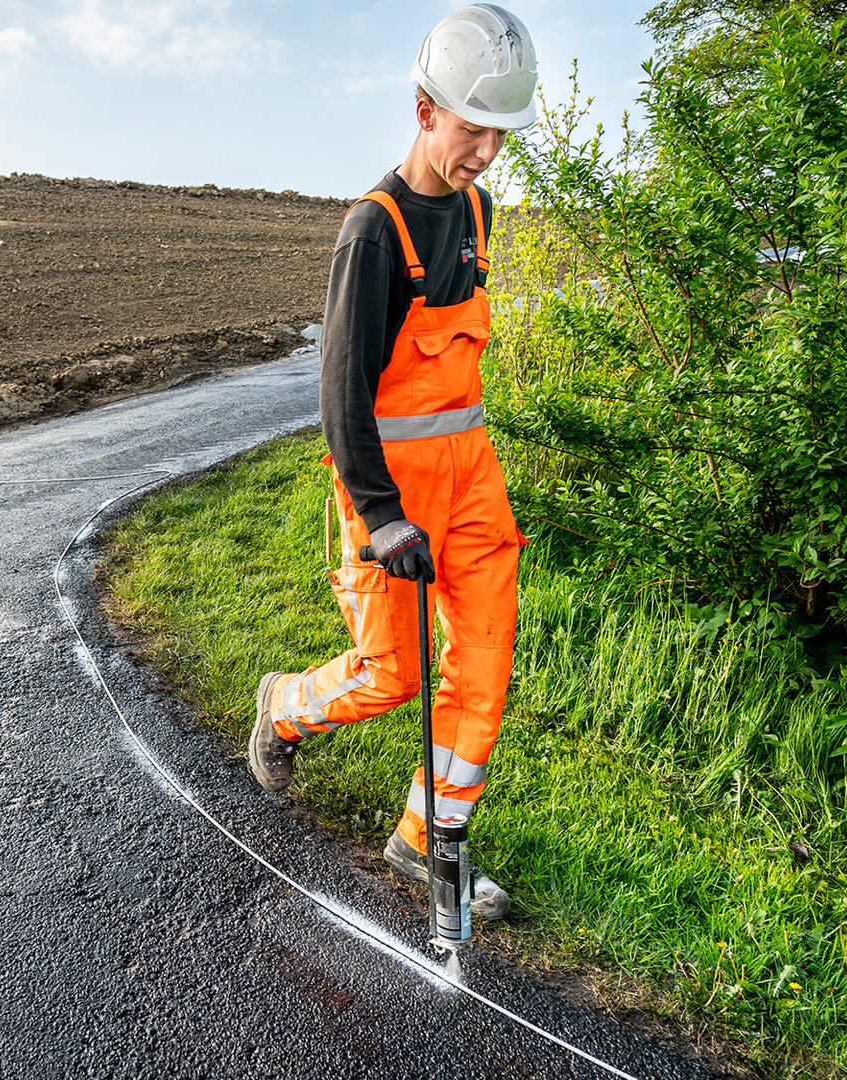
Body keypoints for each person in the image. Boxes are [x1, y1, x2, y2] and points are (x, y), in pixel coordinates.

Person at [248, 4, 537, 920]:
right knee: (394, 674)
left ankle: (429, 844)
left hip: (474, 483)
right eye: (470, 129)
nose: (485, 153)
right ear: (423, 112)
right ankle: (286, 706)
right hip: (394, 495)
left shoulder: (480, 213)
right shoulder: (374, 232)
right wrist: (381, 517)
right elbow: (340, 399)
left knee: (483, 666)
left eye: (498, 134)